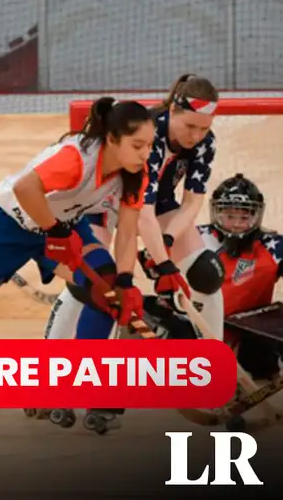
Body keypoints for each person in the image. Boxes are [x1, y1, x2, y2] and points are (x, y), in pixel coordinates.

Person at [0, 98, 154, 431]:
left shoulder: (135, 174)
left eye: (149, 145)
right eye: (138, 145)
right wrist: (53, 229)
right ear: (112, 139)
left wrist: (124, 280)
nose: (146, 153)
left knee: (104, 289)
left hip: (62, 224)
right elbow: (25, 187)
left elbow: (128, 232)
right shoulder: (77, 158)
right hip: (7, 225)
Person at [47, 74, 223, 341]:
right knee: (91, 280)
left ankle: (214, 368)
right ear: (173, 110)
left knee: (206, 273)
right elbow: (141, 212)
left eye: (204, 129)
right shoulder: (148, 134)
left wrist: (166, 240)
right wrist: (164, 263)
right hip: (103, 202)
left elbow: (192, 202)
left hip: (156, 205)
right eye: (190, 126)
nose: (197, 136)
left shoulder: (204, 144)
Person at [145, 175, 283, 379]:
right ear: (216, 213)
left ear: (256, 216)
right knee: (146, 308)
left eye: (244, 218)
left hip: (245, 336)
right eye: (229, 216)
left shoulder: (273, 246)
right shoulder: (194, 238)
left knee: (263, 356)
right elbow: (149, 262)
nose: (236, 224)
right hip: (196, 327)